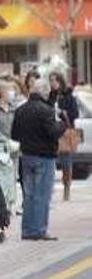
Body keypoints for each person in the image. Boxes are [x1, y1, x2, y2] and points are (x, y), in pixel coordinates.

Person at [11, 78, 67, 241]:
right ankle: (39, 230)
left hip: (26, 156)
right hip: (44, 156)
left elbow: (14, 135)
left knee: (29, 195)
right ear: (44, 92)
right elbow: (53, 132)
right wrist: (62, 124)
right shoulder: (46, 110)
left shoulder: (21, 110)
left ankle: (27, 230)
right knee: (42, 194)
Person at [50, 72, 80, 201]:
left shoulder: (68, 96)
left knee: (66, 160)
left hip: (64, 131)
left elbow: (75, 114)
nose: (52, 83)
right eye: (50, 81)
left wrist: (62, 112)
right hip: (50, 130)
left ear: (60, 82)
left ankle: (66, 187)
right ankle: (50, 188)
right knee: (49, 159)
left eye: (54, 81)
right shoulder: (50, 95)